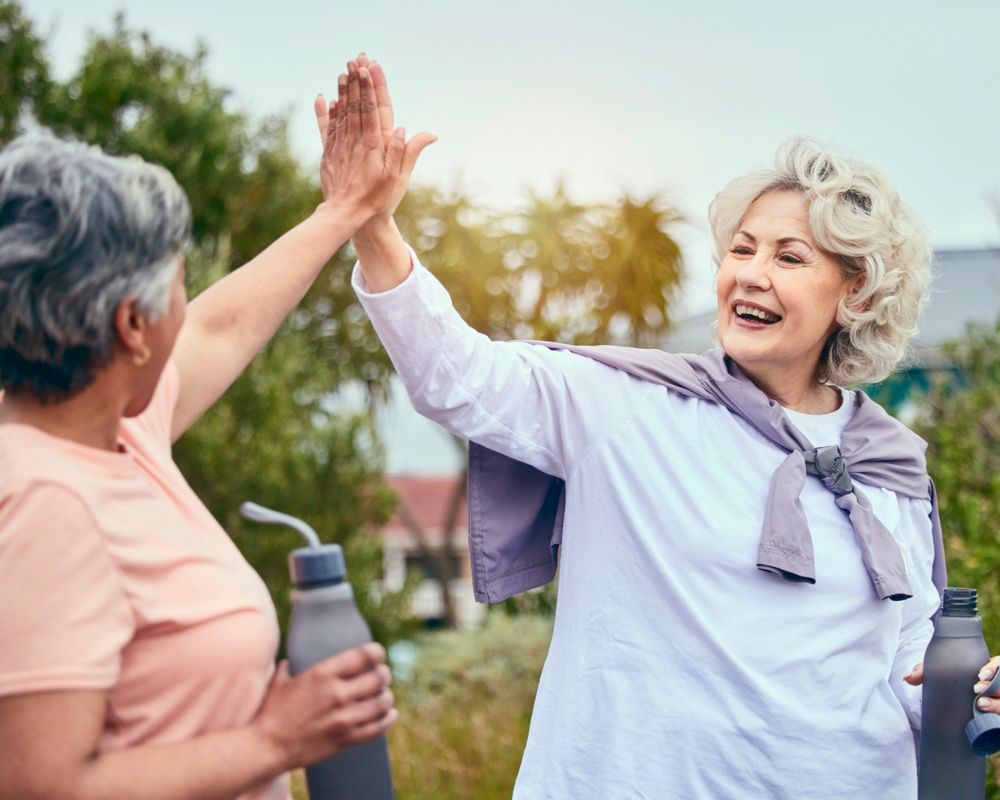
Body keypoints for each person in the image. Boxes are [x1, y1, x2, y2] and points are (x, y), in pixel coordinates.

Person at [331, 57, 1000, 798]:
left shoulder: (891, 467)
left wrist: (971, 695)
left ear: (856, 294)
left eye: (789, 256)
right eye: (742, 249)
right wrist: (373, 228)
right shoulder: (623, 407)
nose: (750, 273)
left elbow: (907, 662)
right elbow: (455, 376)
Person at [0, 61, 434, 800]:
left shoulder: (113, 432)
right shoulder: (43, 497)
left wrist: (347, 209)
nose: (187, 304)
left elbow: (220, 328)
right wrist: (275, 739)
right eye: (176, 281)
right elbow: (44, 786)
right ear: (131, 326)